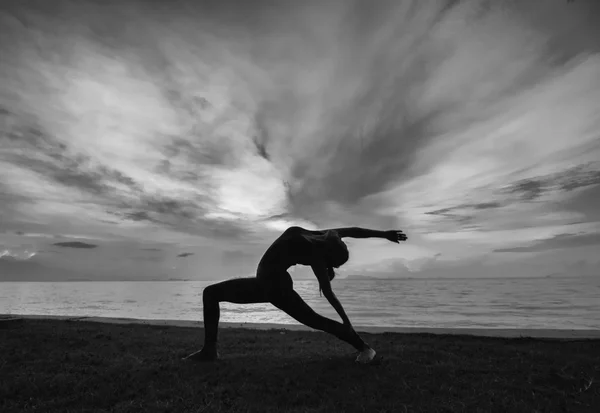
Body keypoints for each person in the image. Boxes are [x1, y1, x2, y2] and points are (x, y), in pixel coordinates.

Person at [184, 226, 408, 363]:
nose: (331, 268)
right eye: (334, 264)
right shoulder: (317, 251)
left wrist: (384, 234)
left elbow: (354, 231)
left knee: (316, 320)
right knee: (211, 293)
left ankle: (365, 348)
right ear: (330, 255)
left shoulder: (324, 237)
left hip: (274, 285)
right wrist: (384, 235)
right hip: (268, 283)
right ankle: (209, 350)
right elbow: (328, 291)